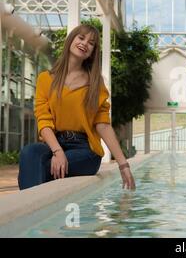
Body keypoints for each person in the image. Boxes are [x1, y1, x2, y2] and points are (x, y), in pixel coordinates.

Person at [18, 24, 136, 190]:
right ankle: (30, 212)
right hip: (54, 143)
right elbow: (43, 121)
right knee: (29, 153)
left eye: (91, 43)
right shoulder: (45, 79)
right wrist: (58, 151)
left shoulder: (95, 83)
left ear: (92, 52)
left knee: (41, 169)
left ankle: (30, 212)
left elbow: (102, 124)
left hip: (85, 149)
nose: (85, 43)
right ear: (71, 39)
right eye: (81, 38)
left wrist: (123, 165)